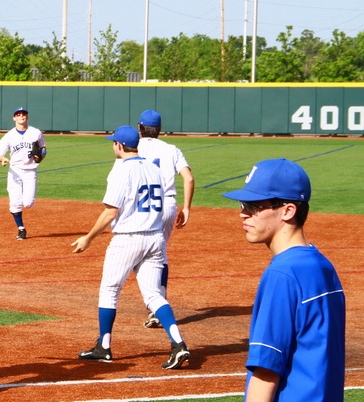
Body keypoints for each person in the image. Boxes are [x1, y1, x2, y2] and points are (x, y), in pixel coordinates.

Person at [221, 158, 345, 402]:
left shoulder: (282, 274)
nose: (242, 213)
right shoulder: (323, 266)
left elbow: (266, 370)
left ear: (288, 210)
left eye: (254, 206)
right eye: (243, 203)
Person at [71, 125, 190, 370]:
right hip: (155, 238)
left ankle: (104, 347)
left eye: (113, 142)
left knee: (109, 290)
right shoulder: (153, 168)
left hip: (128, 239)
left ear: (120, 146)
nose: (112, 145)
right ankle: (179, 344)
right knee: (154, 295)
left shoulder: (121, 171)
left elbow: (110, 212)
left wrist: (88, 238)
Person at [136, 109, 194, 328]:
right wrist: (186, 208)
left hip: (142, 205)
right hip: (168, 204)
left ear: (140, 128)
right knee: (159, 254)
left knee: (139, 254)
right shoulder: (171, 149)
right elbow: (188, 178)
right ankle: (158, 302)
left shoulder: (135, 147)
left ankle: (155, 304)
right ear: (159, 130)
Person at [0, 107, 46, 240]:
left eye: (24, 114)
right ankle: (21, 229)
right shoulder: (9, 135)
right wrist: (3, 159)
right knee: (15, 202)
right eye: (18, 114)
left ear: (27, 117)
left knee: (28, 203)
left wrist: (41, 157)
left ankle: (22, 218)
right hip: (15, 171)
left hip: (30, 170)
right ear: (14, 118)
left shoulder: (36, 133)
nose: (21, 116)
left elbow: (43, 148)